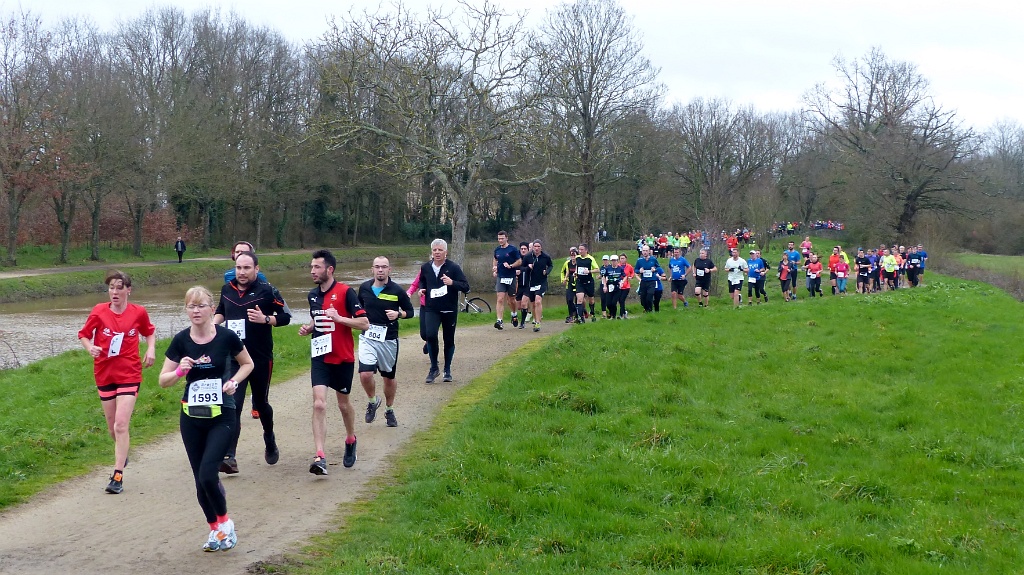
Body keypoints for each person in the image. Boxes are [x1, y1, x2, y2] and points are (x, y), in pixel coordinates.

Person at [159, 286, 253, 552]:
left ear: (212, 309)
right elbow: (163, 380)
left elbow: (248, 364)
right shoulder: (181, 340)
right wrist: (179, 371)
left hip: (222, 415)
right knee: (199, 480)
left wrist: (234, 382)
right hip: (191, 417)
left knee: (208, 474)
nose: (196, 311)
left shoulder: (226, 337)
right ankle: (215, 530)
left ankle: (225, 524)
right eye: (191, 306)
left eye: (201, 306)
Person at [78, 270, 156, 495]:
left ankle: (117, 475)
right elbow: (83, 334)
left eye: (119, 288)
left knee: (121, 424)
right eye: (111, 287)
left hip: (129, 373)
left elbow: (149, 332)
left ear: (128, 290)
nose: (114, 292)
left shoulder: (138, 312)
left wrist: (150, 349)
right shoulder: (99, 311)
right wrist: (90, 348)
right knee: (113, 427)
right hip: (104, 373)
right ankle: (122, 452)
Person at [212, 251, 292, 474]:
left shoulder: (268, 290)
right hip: (234, 358)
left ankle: (269, 437)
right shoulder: (227, 289)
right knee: (233, 404)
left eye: (247, 268)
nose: (242, 272)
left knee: (261, 403)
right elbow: (221, 311)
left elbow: (286, 317)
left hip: (259, 358)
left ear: (257, 269)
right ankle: (230, 456)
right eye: (238, 268)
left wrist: (265, 319)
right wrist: (212, 326)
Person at [298, 249, 370, 474]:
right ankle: (320, 455)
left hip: (342, 357)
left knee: (343, 405)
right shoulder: (312, 295)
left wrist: (339, 318)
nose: (312, 271)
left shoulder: (346, 292)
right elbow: (317, 318)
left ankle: (350, 438)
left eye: (317, 267)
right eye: (311, 267)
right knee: (319, 404)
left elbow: (364, 323)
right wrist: (309, 328)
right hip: (320, 356)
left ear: (329, 269)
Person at [357, 256, 415, 428]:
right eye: (377, 267)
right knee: (365, 374)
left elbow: (410, 311)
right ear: (372, 269)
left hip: (388, 339)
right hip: (367, 337)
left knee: (388, 378)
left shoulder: (397, 290)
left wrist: (398, 314)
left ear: (389, 270)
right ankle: (372, 401)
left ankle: (389, 410)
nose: (380, 270)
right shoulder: (364, 288)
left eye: (384, 267)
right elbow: (358, 309)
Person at [416, 239, 470, 382]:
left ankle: (447, 369)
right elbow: (422, 280)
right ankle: (434, 368)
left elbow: (466, 286)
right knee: (430, 335)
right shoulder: (426, 267)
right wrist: (422, 289)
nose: (437, 252)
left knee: (448, 339)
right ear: (431, 252)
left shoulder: (453, 268)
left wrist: (452, 283)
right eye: (435, 250)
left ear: (446, 252)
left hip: (449, 309)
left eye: (440, 250)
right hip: (431, 308)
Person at [520, 240, 553, 331]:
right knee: (533, 304)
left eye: (538, 246)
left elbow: (550, 265)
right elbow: (522, 267)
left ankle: (538, 322)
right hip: (531, 283)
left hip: (541, 282)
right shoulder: (528, 257)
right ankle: (535, 320)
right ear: (533, 247)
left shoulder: (545, 257)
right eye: (535, 246)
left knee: (538, 301)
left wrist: (547, 271)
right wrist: (528, 267)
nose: (537, 248)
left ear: (541, 247)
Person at [492, 231, 522, 330]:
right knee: (500, 298)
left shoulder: (512, 249)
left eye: (502, 238)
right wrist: (494, 268)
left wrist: (511, 266)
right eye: (499, 239)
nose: (500, 240)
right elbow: (495, 259)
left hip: (511, 277)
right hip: (501, 277)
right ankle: (499, 321)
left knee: (511, 300)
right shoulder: (497, 250)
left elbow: (519, 261)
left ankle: (514, 314)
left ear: (506, 238)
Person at [570, 243, 599, 322]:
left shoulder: (590, 259)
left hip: (589, 282)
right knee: (579, 299)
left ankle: (592, 313)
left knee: (591, 299)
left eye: (582, 249)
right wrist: (575, 272)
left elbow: (597, 269)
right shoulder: (577, 258)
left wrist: (589, 271)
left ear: (586, 250)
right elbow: (577, 266)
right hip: (580, 281)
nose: (580, 251)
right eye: (579, 249)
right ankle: (580, 318)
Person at [634, 244, 660, 313]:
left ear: (649, 251)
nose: (645, 252)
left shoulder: (653, 259)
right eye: (643, 251)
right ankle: (646, 309)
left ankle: (650, 310)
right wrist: (639, 271)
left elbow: (658, 267)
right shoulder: (639, 260)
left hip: (652, 281)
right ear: (642, 251)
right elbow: (635, 270)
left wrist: (654, 269)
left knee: (649, 296)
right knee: (643, 299)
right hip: (643, 281)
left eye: (646, 251)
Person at [560, 246, 579, 323]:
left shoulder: (579, 262)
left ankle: (578, 316)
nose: (573, 257)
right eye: (571, 255)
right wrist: (564, 279)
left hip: (578, 284)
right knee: (569, 300)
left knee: (578, 300)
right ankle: (571, 315)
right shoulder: (568, 263)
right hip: (570, 283)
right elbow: (565, 271)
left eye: (574, 255)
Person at [617, 252, 635, 318]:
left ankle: (621, 315)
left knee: (622, 300)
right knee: (620, 300)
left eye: (623, 258)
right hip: (619, 286)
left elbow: (633, 272)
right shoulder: (617, 266)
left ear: (626, 259)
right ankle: (624, 312)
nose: (622, 260)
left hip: (626, 286)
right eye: (621, 258)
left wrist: (631, 277)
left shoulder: (629, 266)